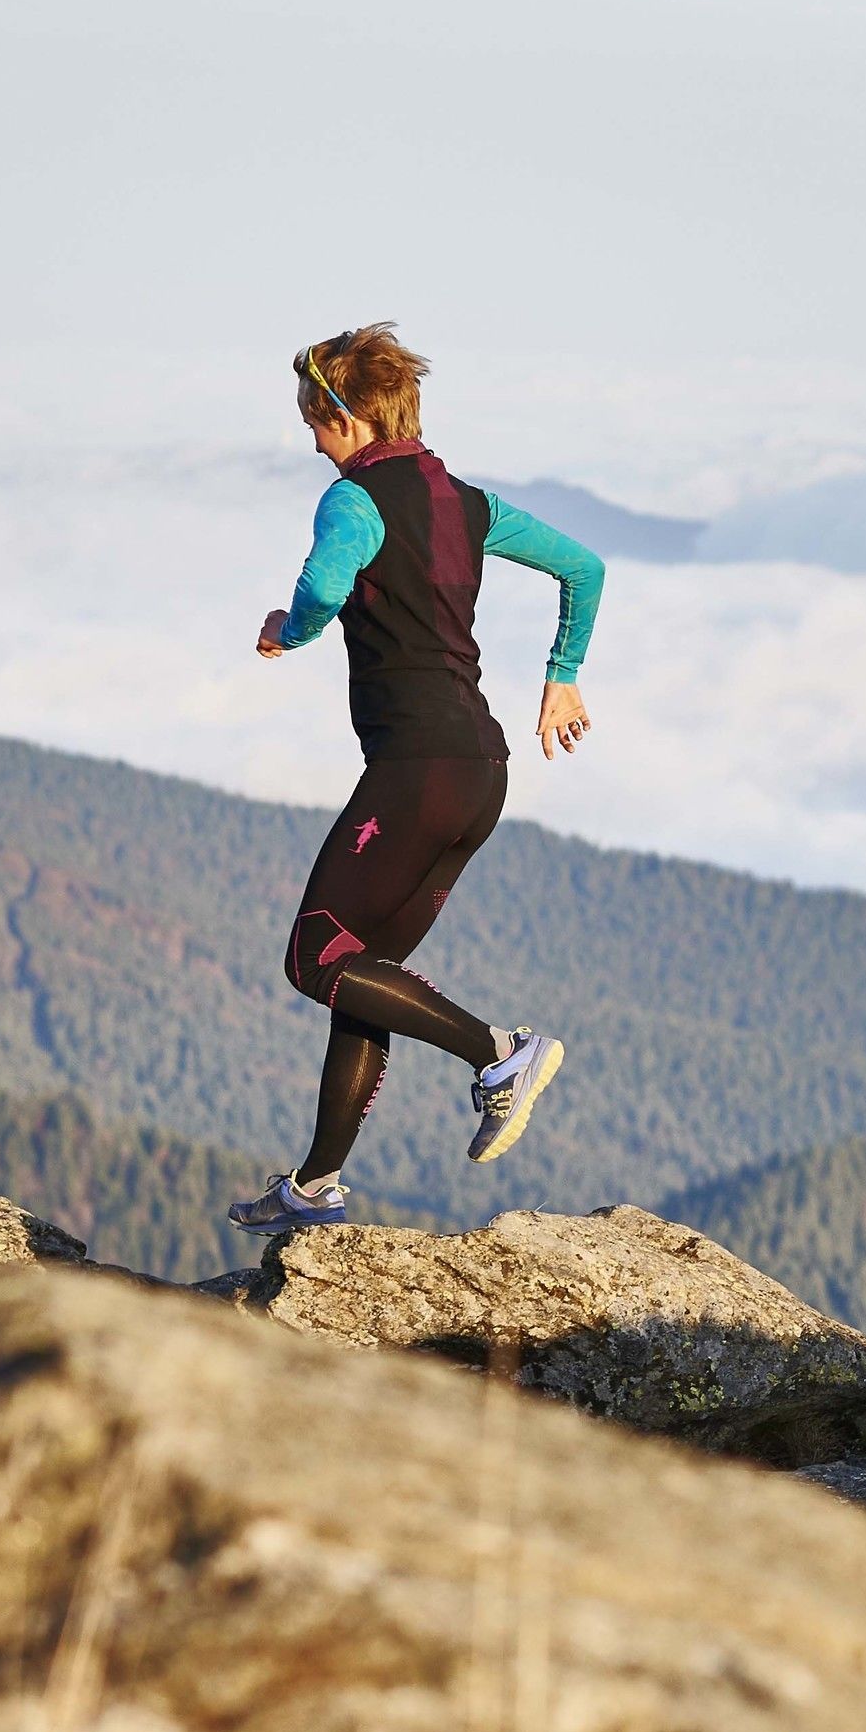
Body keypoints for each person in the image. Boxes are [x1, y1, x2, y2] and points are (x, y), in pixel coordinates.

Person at [227, 324, 603, 1231]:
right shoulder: (466, 502)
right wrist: (562, 675)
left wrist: (296, 627)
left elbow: (323, 581)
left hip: (416, 772)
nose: (312, 440)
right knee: (365, 967)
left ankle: (498, 1053)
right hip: (481, 774)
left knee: (314, 956)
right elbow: (583, 566)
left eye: (314, 421)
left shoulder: (352, 501)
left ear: (343, 414)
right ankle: (315, 1186)